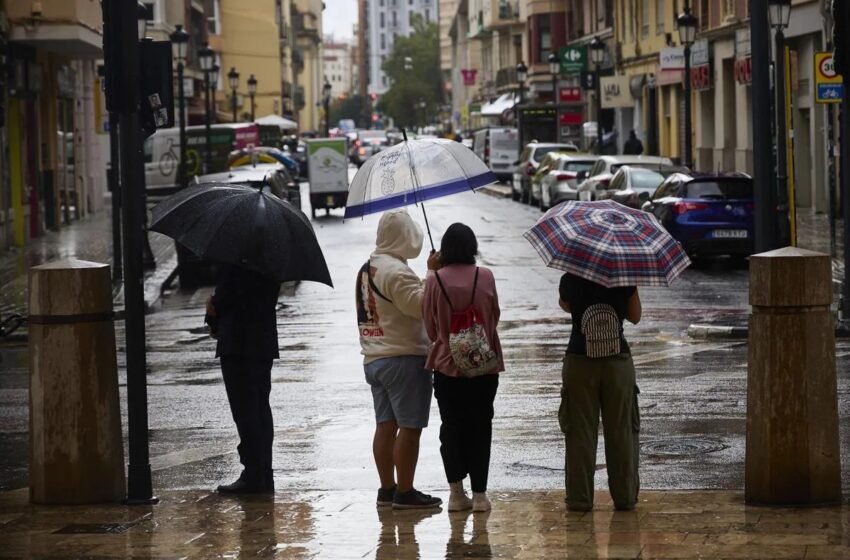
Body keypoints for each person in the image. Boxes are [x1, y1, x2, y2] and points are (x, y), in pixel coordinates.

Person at [356, 209, 443, 509]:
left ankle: (386, 489)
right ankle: (405, 492)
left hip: (375, 358)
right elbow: (421, 306)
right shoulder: (396, 271)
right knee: (409, 427)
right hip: (403, 357)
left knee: (385, 425)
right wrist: (431, 274)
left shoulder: (368, 268)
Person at [423, 223, 503, 513]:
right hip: (484, 366)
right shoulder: (486, 276)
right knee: (481, 426)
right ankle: (480, 495)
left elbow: (431, 330)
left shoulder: (434, 281)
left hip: (446, 367)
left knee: (451, 427)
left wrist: (432, 271)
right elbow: (493, 319)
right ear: (472, 247)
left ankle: (456, 494)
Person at [558, 273, 642, 511]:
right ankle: (625, 497)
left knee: (579, 433)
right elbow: (635, 316)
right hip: (617, 362)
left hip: (579, 361)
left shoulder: (570, 278)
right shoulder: (624, 276)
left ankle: (579, 499)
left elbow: (566, 306)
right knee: (622, 431)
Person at [206, 264, 282, 494]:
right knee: (260, 408)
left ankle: (253, 474)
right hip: (263, 342)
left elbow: (225, 297)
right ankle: (263, 473)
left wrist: (212, 309)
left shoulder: (237, 262)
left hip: (238, 343)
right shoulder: (272, 263)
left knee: (245, 411)